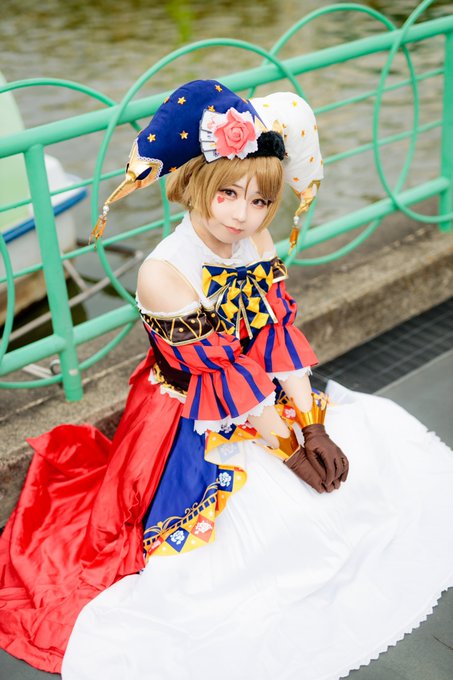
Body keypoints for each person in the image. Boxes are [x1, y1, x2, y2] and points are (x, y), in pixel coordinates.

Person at [1, 80, 453, 680]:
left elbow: (275, 335)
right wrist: (292, 451)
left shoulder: (252, 238)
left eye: (261, 200)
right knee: (267, 538)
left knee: (372, 465)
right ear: (196, 182)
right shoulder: (164, 273)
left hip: (258, 390)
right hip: (190, 413)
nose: (244, 215)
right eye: (229, 194)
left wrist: (313, 425)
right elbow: (225, 376)